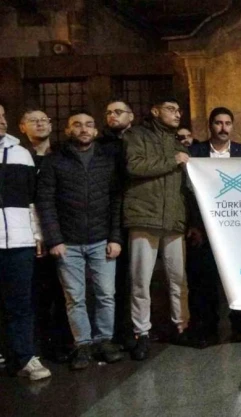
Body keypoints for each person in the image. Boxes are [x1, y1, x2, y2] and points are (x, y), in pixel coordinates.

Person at [36, 111, 124, 370]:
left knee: (106, 294)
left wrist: (115, 237)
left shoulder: (107, 160)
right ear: (67, 130)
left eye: (89, 125)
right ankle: (82, 344)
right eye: (77, 125)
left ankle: (104, 340)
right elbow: (45, 202)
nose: (84, 129)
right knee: (75, 297)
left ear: (95, 130)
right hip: (68, 242)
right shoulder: (54, 161)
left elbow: (116, 201)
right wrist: (54, 239)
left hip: (101, 239)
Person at [123, 97, 191, 360]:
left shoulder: (177, 143)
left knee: (178, 278)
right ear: (155, 110)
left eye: (179, 110)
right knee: (141, 280)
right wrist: (173, 160)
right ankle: (141, 333)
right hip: (145, 217)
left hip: (174, 220)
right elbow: (135, 166)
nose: (177, 114)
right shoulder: (137, 136)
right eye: (171, 109)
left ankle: (181, 326)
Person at [187, 107, 241, 346]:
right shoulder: (195, 153)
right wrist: (194, 224)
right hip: (205, 227)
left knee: (237, 277)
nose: (223, 128)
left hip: (237, 228)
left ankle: (240, 324)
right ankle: (208, 327)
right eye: (218, 123)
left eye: (227, 123)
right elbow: (188, 192)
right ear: (210, 126)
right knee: (205, 280)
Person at [0, 103, 52, 380]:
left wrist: (37, 234)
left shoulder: (21, 153)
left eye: (2, 116)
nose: (2, 121)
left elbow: (32, 199)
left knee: (21, 302)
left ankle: (25, 356)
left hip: (19, 241)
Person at [19, 107, 72, 363]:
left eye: (44, 120)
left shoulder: (63, 155)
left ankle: (64, 342)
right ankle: (38, 343)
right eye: (33, 120)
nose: (40, 124)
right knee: (36, 292)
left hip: (63, 232)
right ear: (22, 127)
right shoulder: (19, 157)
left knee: (64, 292)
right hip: (30, 234)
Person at [99, 98, 135, 351]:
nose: (113, 115)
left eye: (118, 112)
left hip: (138, 213)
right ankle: (118, 331)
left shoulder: (140, 141)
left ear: (130, 116)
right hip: (111, 217)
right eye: (109, 112)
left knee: (138, 278)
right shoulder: (100, 146)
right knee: (115, 280)